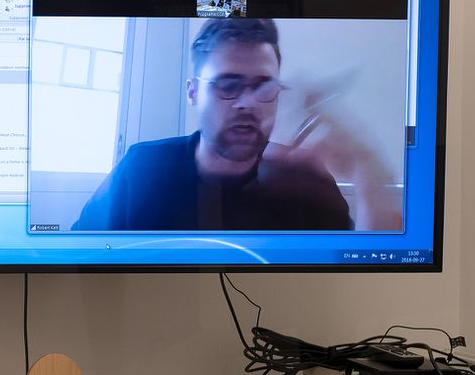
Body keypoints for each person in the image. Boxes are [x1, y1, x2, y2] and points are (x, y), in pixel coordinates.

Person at [72, 17, 398, 234]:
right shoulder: (143, 168)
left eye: (264, 87)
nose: (248, 103)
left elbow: (356, 277)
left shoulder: (306, 180)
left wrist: (367, 173)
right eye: (228, 85)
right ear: (193, 92)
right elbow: (79, 261)